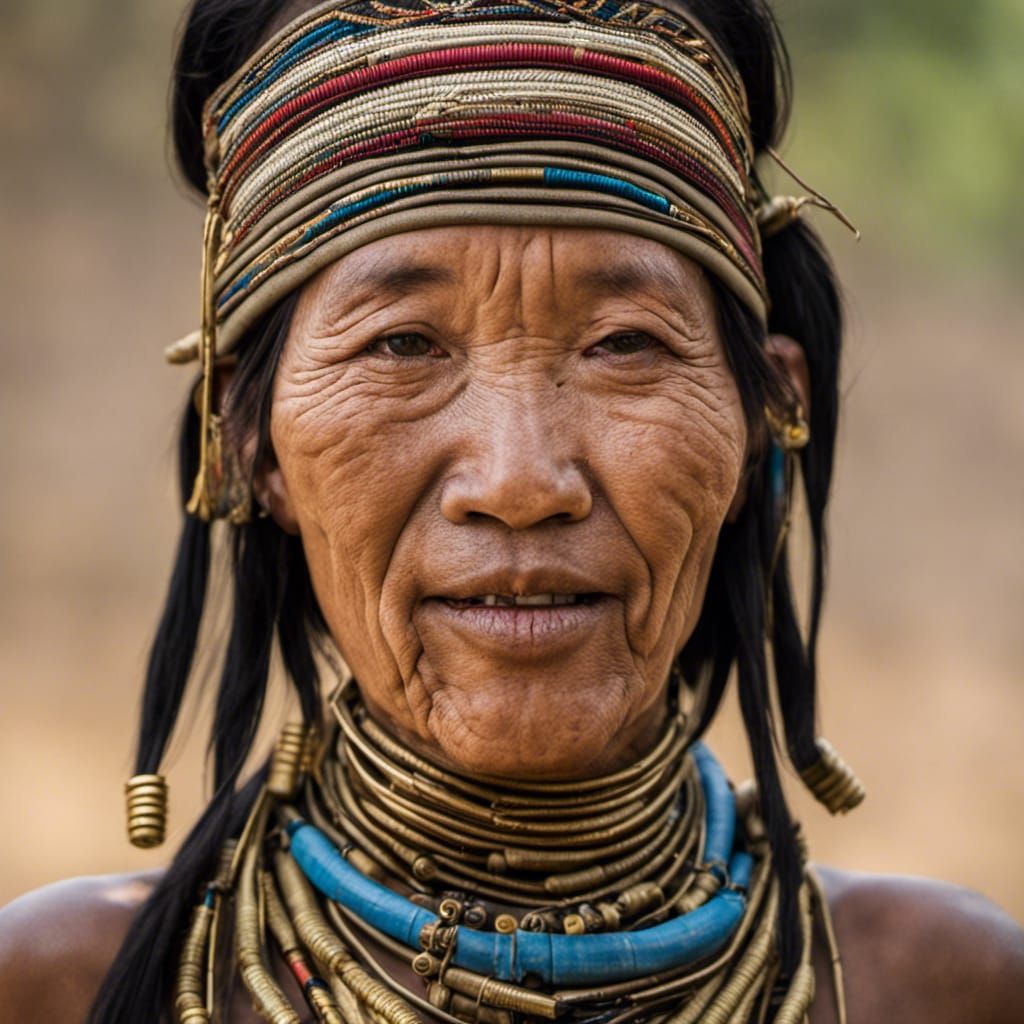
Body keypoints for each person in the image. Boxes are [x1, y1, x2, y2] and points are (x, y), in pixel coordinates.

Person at [1, 0, 1022, 1020]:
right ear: (247, 442)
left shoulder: (943, 992)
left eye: (624, 344)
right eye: (403, 345)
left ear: (765, 416)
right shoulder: (59, 989)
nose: (521, 482)